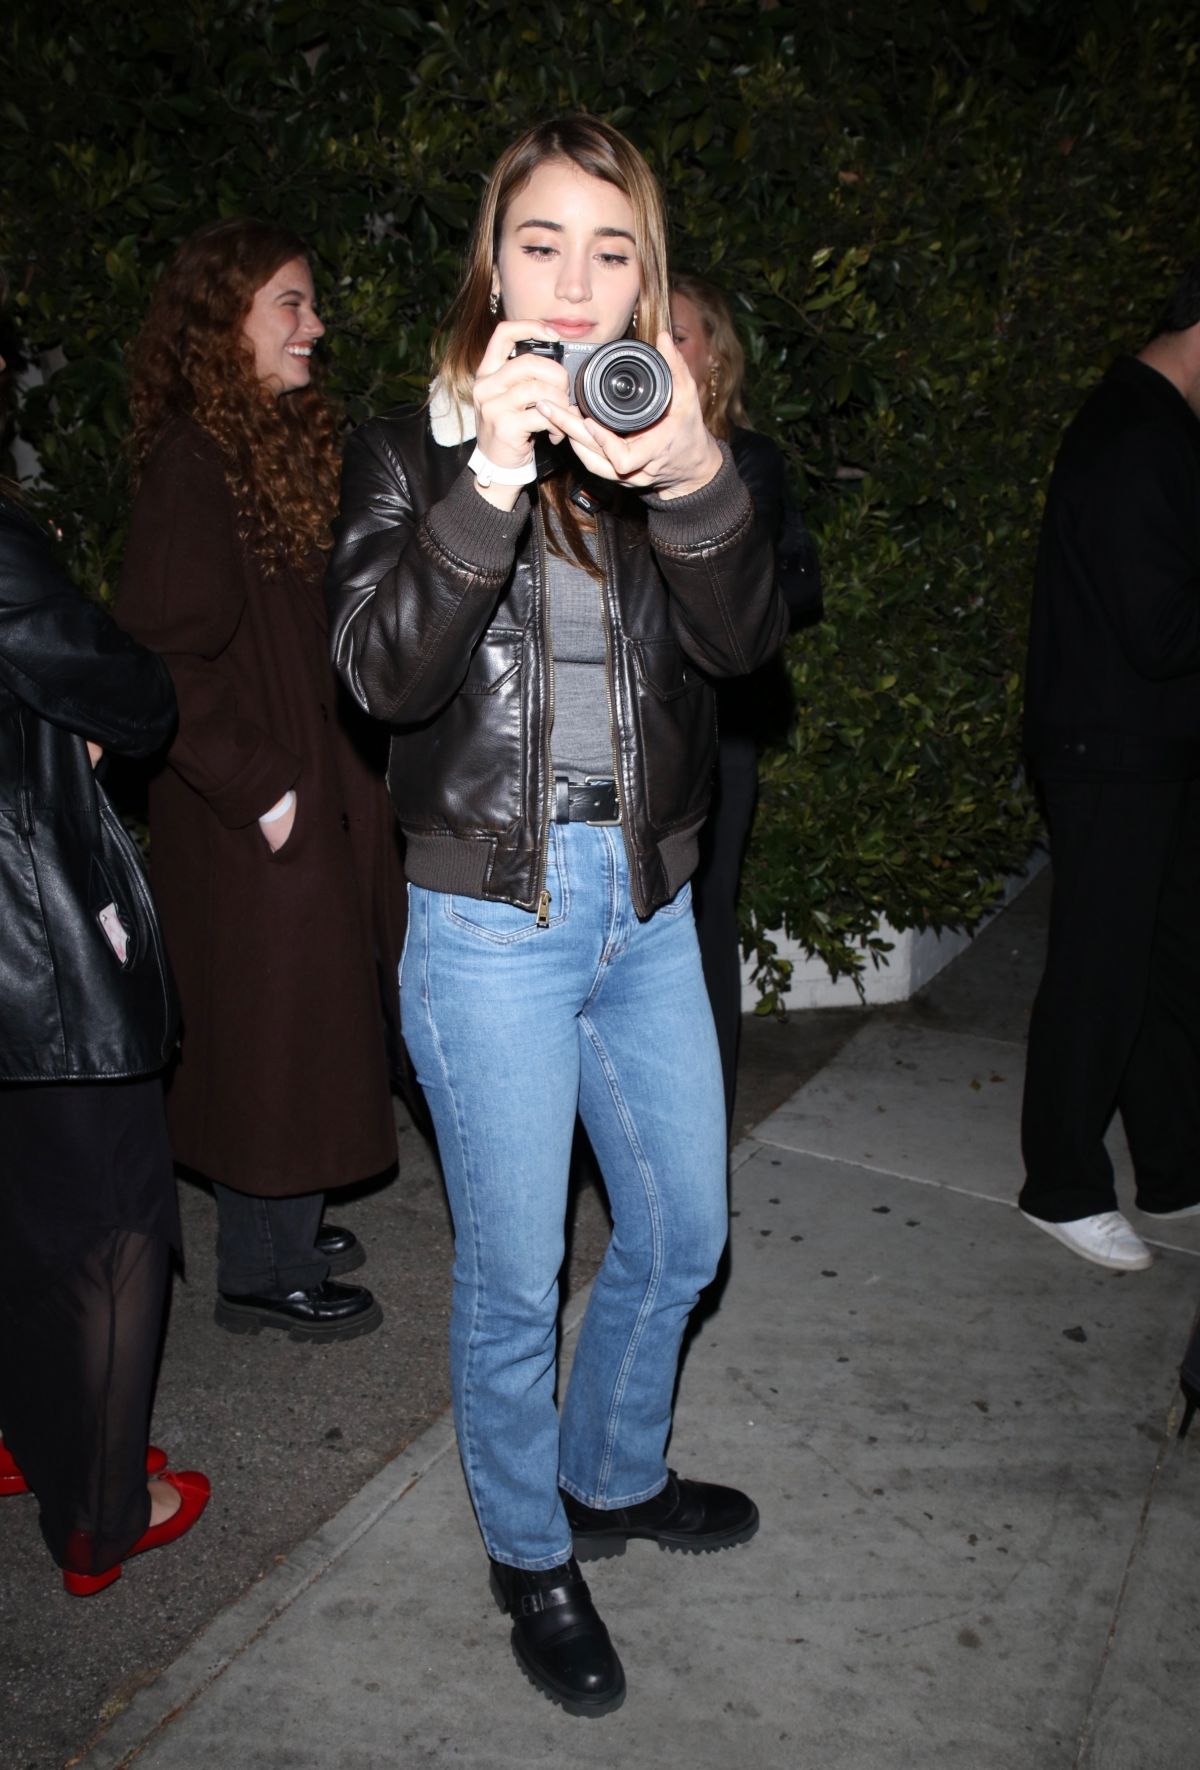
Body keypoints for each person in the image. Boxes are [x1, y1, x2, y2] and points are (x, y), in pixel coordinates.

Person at [327, 116, 787, 1716]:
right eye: (545, 242)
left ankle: (609, 1469)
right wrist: (491, 477)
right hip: (490, 925)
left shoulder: (654, 435)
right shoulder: (408, 448)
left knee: (680, 1231)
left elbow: (743, 653)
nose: (577, 280)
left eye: (613, 249)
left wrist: (701, 477)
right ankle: (532, 1548)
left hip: (645, 904)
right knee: (517, 1275)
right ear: (494, 255)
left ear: (645, 275)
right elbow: (381, 676)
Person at [118, 220, 404, 1340]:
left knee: (312, 1024)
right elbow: (164, 655)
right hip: (252, 817)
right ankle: (259, 1267)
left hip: (304, 795)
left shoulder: (261, 447)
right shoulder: (197, 461)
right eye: (289, 302)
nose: (314, 325)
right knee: (275, 1035)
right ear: (221, 319)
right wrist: (265, 790)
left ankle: (287, 1221)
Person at [0, 338, 209, 1595]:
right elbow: (135, 695)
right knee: (113, 1219)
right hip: (28, 942)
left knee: (21, 1207)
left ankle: (36, 1439)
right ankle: (101, 1518)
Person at [1019, 260, 1200, 1271]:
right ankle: (1062, 1182)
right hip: (1110, 748)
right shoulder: (1136, 436)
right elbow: (1159, 627)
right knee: (1103, 968)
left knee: (1168, 965)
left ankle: (1175, 1171)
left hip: (1151, 743)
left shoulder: (1160, 427)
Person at [670, 272, 821, 1122]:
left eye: (681, 334)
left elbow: (776, 587)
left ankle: (703, 1117)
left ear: (714, 356)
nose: (662, 344)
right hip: (630, 729)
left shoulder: (748, 460)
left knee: (702, 918)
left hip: (719, 729)